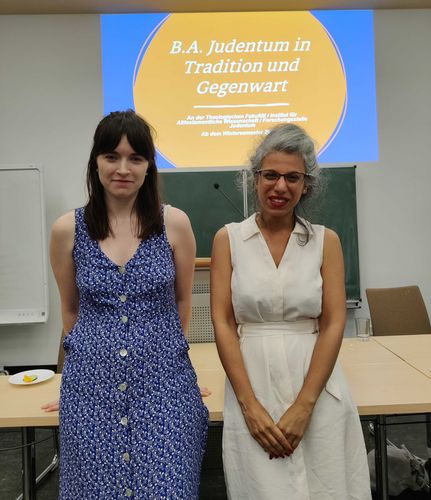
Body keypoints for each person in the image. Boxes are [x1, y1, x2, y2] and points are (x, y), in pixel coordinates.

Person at [43, 110, 208, 499]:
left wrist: (167, 366)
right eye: (111, 156)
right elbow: (71, 310)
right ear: (95, 162)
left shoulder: (175, 224)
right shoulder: (68, 229)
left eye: (135, 157)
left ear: (149, 166)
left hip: (164, 391)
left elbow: (182, 301)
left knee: (170, 489)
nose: (123, 168)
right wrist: (88, 371)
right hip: (91, 395)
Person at [210, 123, 371, 499]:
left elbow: (332, 323)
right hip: (252, 383)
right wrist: (250, 407)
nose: (280, 187)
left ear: (306, 185)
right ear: (255, 179)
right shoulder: (228, 239)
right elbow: (222, 321)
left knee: (327, 485)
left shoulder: (324, 241)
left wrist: (304, 405)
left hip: (315, 383)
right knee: (263, 488)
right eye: (270, 175)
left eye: (292, 177)